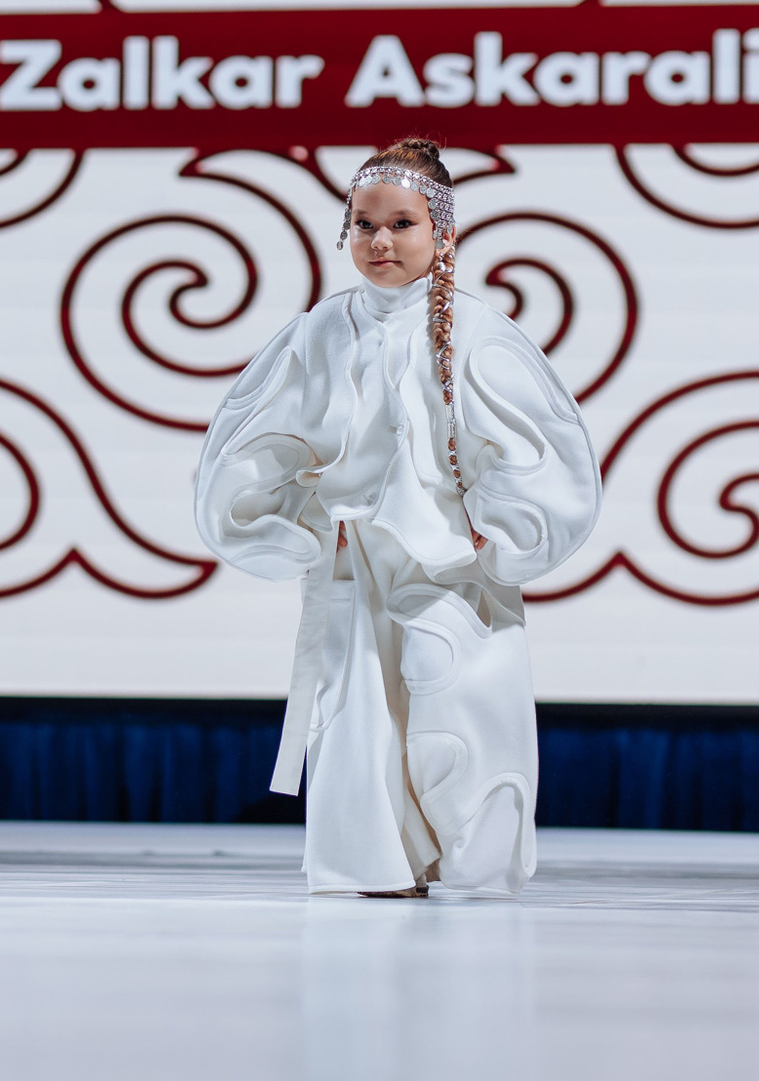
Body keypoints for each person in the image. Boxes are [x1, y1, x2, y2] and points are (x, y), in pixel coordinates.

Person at [194, 138, 600, 897]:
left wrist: (500, 528)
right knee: (357, 705)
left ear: (443, 234)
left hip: (450, 562)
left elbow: (536, 447)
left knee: (453, 695)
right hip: (354, 558)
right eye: (364, 225)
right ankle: (376, 863)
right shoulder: (320, 331)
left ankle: (474, 864)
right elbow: (260, 439)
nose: (381, 241)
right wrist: (293, 521)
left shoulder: (478, 333)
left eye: (402, 224)